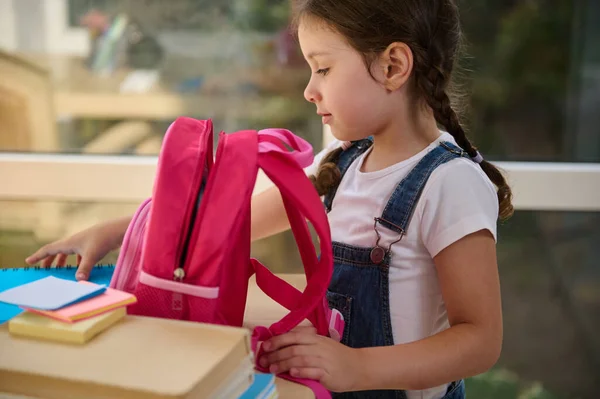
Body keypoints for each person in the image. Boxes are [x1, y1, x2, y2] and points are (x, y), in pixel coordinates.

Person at [26, 0, 512, 397]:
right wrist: (117, 230)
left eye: (322, 68)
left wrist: (357, 368)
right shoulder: (342, 163)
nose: (308, 90)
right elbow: (224, 224)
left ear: (393, 65)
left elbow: (479, 340)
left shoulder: (448, 182)